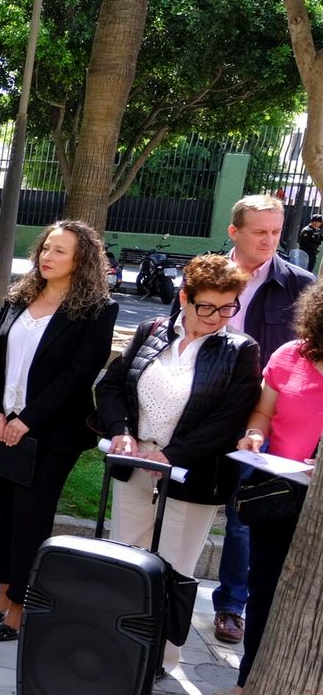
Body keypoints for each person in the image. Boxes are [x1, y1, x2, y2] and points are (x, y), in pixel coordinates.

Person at [96, 254, 261, 669]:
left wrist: (170, 455)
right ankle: (119, 645)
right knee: (125, 558)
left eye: (228, 307)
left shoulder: (241, 350)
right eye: (207, 306)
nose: (217, 317)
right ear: (185, 297)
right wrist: (120, 432)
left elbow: (229, 419)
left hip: (192, 476)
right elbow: (113, 387)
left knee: (174, 568)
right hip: (134, 465)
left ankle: (160, 658)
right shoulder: (151, 331)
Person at [0, 221, 119, 640]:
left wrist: (27, 420)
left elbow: (78, 375)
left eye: (59, 251)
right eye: (45, 248)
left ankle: (21, 604)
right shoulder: (18, 299)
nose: (47, 256)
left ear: (82, 260)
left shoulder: (97, 309)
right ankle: (2, 590)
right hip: (2, 425)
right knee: (6, 514)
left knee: (32, 519)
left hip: (53, 433)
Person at [209, 281, 323, 695]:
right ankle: (248, 681)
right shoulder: (290, 354)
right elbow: (263, 411)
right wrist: (255, 433)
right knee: (264, 588)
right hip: (282, 492)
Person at [206, 195, 315, 646]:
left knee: (243, 514)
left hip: (262, 418)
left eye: (276, 231)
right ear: (234, 232)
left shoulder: (299, 284)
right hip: (206, 411)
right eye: (259, 232)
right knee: (178, 497)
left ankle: (232, 605)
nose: (270, 240)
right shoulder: (207, 273)